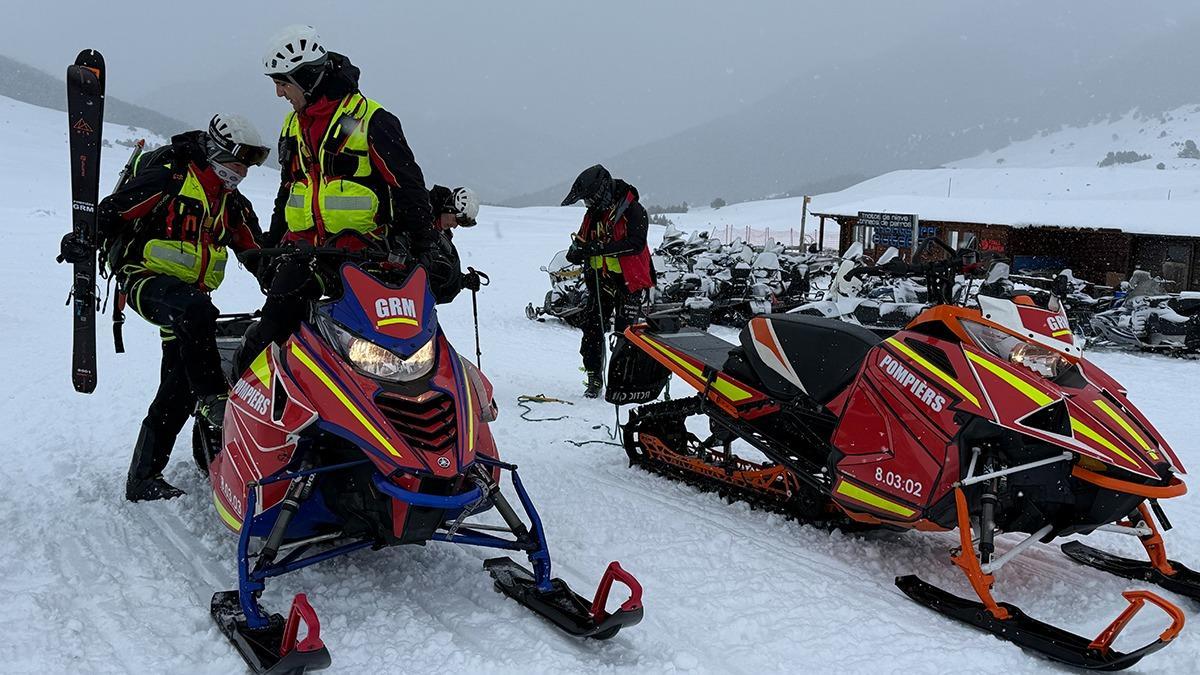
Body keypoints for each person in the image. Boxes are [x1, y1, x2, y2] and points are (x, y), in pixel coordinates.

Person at [58, 114, 269, 501]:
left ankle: (143, 478)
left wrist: (291, 284)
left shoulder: (232, 205)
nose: (244, 173)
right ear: (220, 152)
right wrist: (79, 240)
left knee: (178, 386)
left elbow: (258, 253)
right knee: (198, 317)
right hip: (143, 278)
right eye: (240, 164)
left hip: (188, 297)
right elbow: (113, 212)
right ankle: (213, 400)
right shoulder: (170, 179)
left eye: (249, 167)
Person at [236, 25, 439, 372]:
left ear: (306, 78)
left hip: (364, 256)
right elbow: (288, 191)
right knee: (268, 336)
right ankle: (237, 404)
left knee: (401, 344)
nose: (279, 93)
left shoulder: (371, 120)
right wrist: (272, 244)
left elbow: (410, 190)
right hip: (303, 255)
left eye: (282, 82)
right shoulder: (293, 125)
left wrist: (422, 251)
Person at [560, 164, 653, 398]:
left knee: (626, 335)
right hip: (600, 283)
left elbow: (636, 243)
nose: (588, 204)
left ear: (601, 192)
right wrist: (575, 251)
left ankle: (624, 382)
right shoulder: (593, 215)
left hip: (628, 283)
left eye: (590, 199)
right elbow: (582, 240)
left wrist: (600, 248)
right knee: (591, 329)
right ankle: (594, 377)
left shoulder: (633, 210)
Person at [427, 184, 484, 303]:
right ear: (449, 208)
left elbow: (437, 269)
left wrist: (462, 280)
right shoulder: (419, 217)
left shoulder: (443, 235)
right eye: (456, 220)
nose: (455, 226)